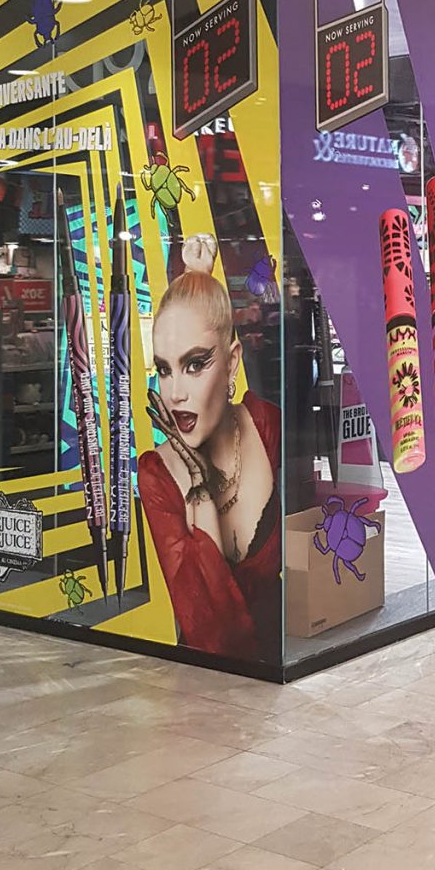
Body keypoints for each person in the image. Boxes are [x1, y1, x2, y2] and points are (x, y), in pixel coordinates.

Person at [139, 233, 280, 662]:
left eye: (195, 364)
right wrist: (198, 485)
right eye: (164, 370)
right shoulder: (158, 476)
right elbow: (212, 634)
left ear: (232, 362)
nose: (175, 393)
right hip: (205, 686)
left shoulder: (268, 426)